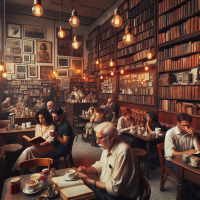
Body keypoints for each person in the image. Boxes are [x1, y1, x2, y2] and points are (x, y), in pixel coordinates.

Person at [78, 122, 140, 200]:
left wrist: (88, 181)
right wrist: (87, 170)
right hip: (107, 190)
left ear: (111, 137)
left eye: (100, 138)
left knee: (83, 194)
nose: (97, 142)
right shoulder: (108, 145)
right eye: (96, 138)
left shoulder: (124, 152)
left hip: (121, 196)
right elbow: (101, 164)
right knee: (80, 189)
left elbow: (115, 189)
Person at [164, 113, 200, 200]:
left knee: (194, 176)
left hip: (186, 161)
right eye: (183, 126)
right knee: (187, 180)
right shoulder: (170, 133)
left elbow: (199, 151)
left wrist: (195, 137)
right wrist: (186, 152)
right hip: (171, 161)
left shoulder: (191, 133)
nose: (186, 128)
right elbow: (169, 152)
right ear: (178, 123)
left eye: (188, 125)